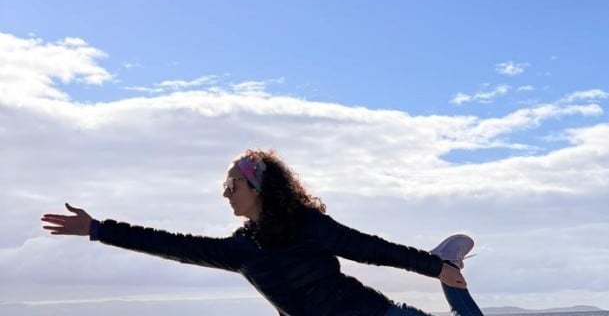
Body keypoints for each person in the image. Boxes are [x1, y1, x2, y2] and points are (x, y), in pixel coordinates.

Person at [41, 148, 486, 316]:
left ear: (257, 188)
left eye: (231, 186)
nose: (225, 194)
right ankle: (447, 264)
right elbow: (172, 245)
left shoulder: (308, 226)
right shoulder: (242, 250)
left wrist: (431, 268)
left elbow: (367, 248)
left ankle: (447, 263)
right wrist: (98, 228)